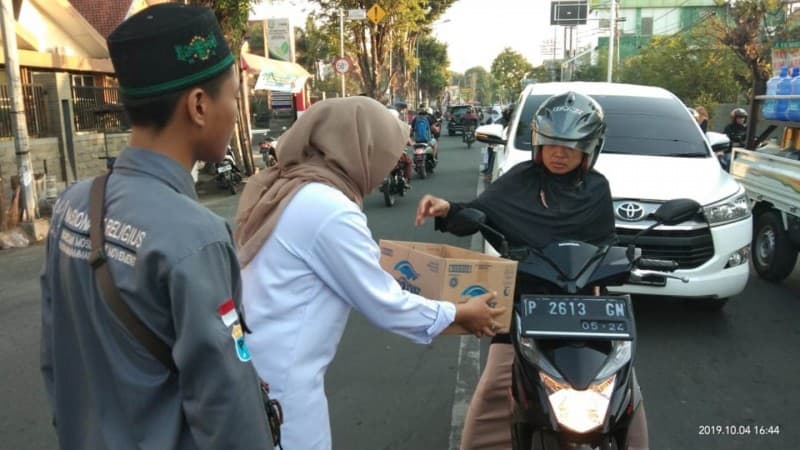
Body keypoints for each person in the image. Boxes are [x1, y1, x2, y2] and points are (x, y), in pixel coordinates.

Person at [39, 4, 274, 449]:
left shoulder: (72, 206)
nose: (236, 112)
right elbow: (227, 407)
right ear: (199, 105)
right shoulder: (197, 237)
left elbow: (55, 358)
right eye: (233, 96)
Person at [234, 97, 505, 450]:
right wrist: (461, 312)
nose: (388, 165)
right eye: (385, 154)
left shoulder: (291, 186)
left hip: (255, 367)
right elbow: (384, 303)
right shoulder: (329, 208)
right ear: (360, 148)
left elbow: (357, 270)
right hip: (283, 388)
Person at [415, 92, 649, 450]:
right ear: (539, 144)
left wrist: (621, 266)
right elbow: (478, 214)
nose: (559, 153)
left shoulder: (597, 188)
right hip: (523, 305)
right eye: (552, 144)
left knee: (623, 394)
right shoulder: (519, 180)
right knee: (495, 387)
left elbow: (605, 244)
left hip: (584, 306)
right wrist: (446, 209)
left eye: (571, 146)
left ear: (589, 149)